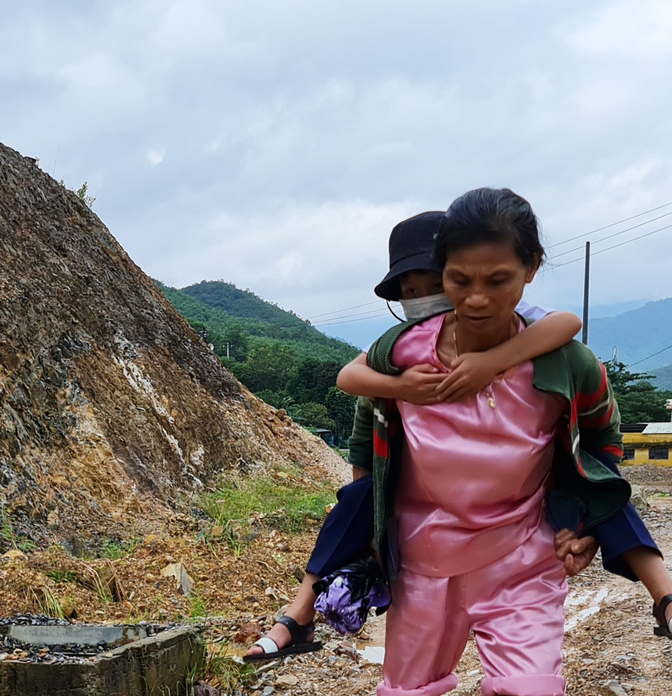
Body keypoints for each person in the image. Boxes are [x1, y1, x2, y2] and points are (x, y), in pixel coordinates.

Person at [341, 187, 625, 696]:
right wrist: (361, 539)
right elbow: (359, 412)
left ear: (530, 271)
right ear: (441, 275)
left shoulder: (564, 360)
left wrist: (586, 515)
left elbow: (603, 438)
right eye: (459, 279)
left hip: (522, 563)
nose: (475, 297)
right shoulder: (405, 350)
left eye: (498, 280)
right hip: (426, 563)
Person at [245, 212, 587, 661]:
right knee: (357, 502)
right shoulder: (402, 348)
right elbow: (354, 390)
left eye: (433, 285)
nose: (423, 300)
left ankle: (664, 593)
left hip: (509, 508)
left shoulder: (511, 322)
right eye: (409, 293)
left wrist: (495, 360)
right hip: (417, 498)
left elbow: (567, 323)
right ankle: (298, 615)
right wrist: (402, 390)